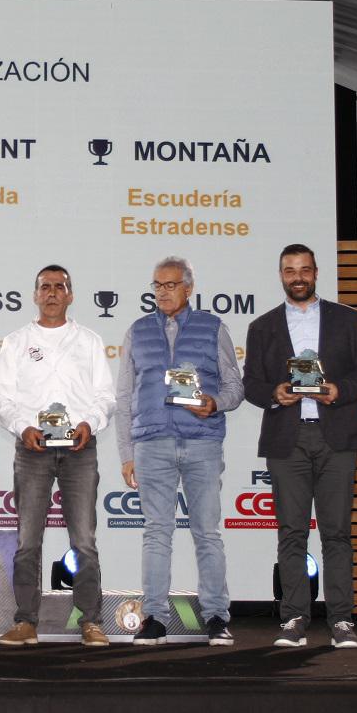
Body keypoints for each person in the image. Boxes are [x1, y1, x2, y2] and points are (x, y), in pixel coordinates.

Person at [243, 243, 357, 649]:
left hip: (336, 436)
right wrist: (275, 393)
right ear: (281, 275)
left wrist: (340, 390)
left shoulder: (347, 319)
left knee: (337, 532)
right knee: (291, 532)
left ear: (316, 273)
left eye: (304, 270)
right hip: (287, 440)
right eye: (290, 271)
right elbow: (251, 383)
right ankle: (294, 619)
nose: (298, 277)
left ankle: (342, 621)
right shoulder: (262, 326)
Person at [116, 256, 244, 647]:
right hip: (151, 443)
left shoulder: (213, 327)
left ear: (188, 288)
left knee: (207, 533)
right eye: (157, 285)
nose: (162, 292)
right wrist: (126, 452)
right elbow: (124, 396)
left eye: (170, 285)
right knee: (157, 532)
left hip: (202, 441)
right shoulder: (137, 331)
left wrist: (214, 403)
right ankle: (154, 617)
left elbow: (235, 387)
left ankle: (217, 617)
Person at [0, 265, 116, 647]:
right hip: (33, 449)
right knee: (28, 541)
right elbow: (3, 399)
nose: (51, 292)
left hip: (79, 449)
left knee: (84, 541)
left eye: (59, 287)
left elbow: (105, 397)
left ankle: (91, 622)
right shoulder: (16, 342)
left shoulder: (89, 341)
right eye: (44, 286)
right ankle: (25, 622)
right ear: (35, 295)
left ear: (70, 295)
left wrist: (90, 424)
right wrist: (22, 427)